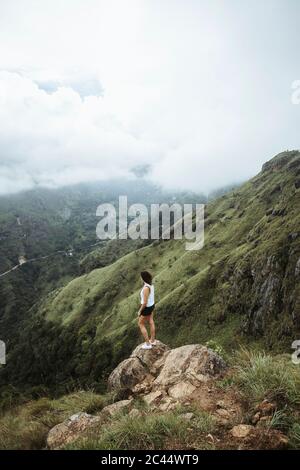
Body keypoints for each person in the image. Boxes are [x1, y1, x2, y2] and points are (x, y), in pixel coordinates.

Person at [138, 271, 156, 349]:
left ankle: (148, 344)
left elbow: (144, 302)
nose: (140, 278)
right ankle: (152, 340)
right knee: (151, 321)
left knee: (141, 324)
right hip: (152, 305)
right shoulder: (151, 285)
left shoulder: (146, 288)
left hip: (147, 307)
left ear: (143, 278)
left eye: (141, 277)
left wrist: (139, 311)